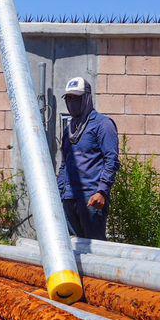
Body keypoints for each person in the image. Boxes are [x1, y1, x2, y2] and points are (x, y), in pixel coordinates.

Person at [56, 76, 118, 240]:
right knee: (73, 249)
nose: (71, 103)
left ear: (87, 98)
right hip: (69, 198)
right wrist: (59, 192)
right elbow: (64, 164)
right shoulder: (70, 129)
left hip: (91, 198)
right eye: (68, 99)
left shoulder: (103, 124)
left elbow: (111, 160)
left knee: (95, 248)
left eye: (76, 98)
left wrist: (102, 191)